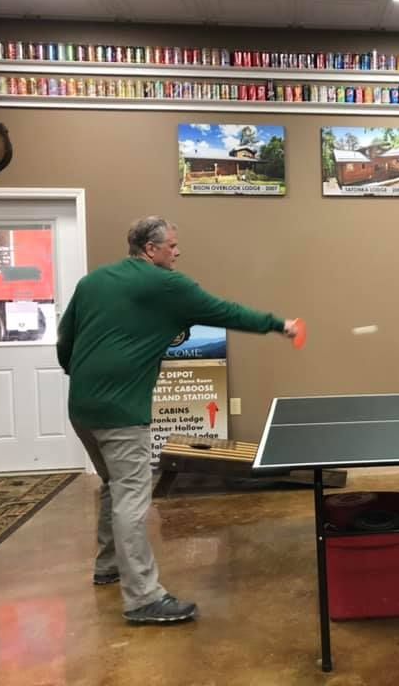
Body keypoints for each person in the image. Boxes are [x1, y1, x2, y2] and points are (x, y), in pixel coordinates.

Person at [57, 216, 298, 624]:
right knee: (133, 495)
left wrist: (81, 375)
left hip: (81, 407)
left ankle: (107, 565)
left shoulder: (92, 282)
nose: (177, 251)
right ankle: (143, 598)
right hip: (121, 411)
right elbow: (226, 312)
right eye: (172, 245)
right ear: (150, 250)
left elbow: (65, 340)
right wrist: (279, 324)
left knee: (115, 485)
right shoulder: (169, 285)